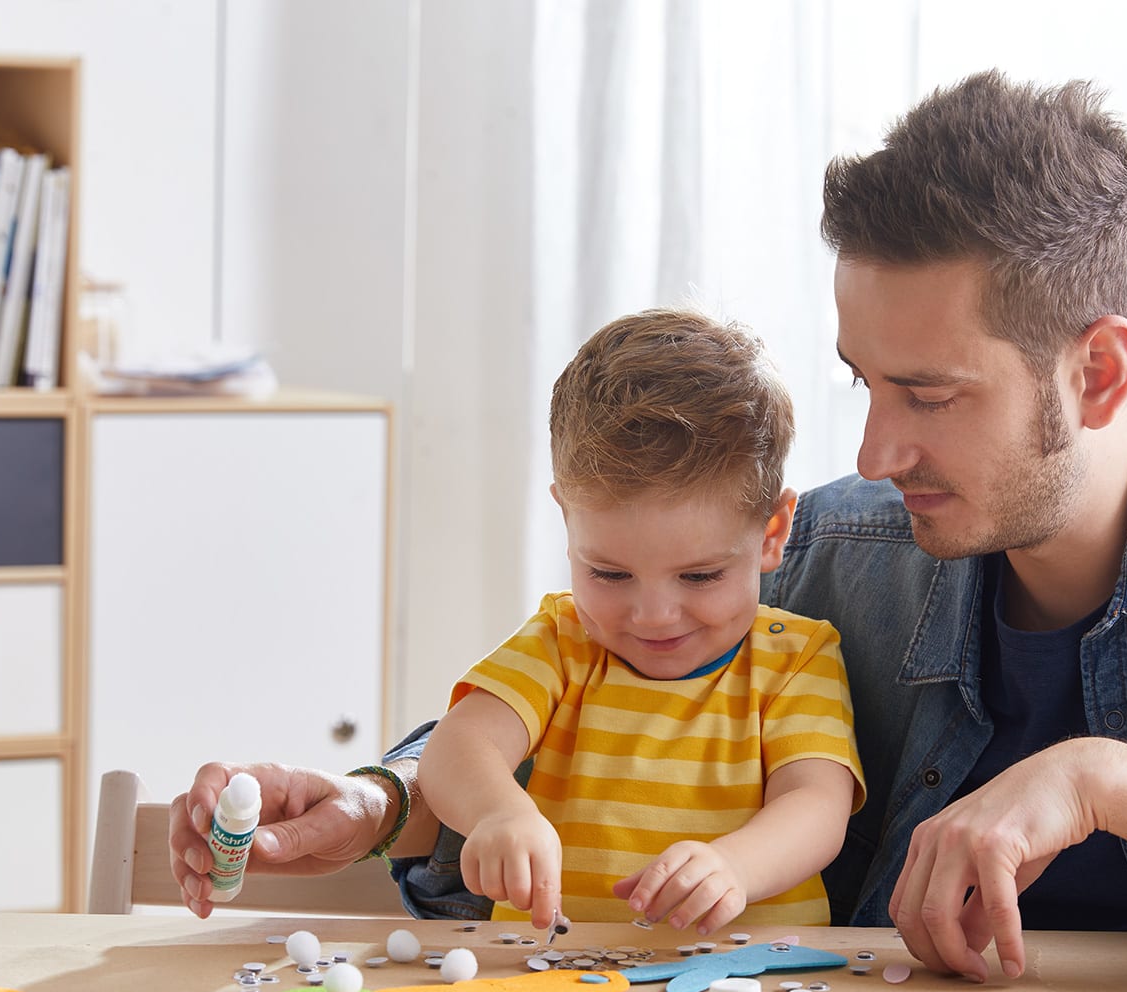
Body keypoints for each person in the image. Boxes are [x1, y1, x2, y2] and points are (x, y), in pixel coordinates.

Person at [170, 72, 1127, 992]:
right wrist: (377, 801)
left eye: (930, 395)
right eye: (863, 380)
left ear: (1096, 373)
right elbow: (580, 706)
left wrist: (1106, 782)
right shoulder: (846, 545)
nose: (873, 452)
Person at [172, 308, 865, 936]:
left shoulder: (797, 657)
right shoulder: (563, 642)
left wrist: (735, 867)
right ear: (567, 519)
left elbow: (817, 806)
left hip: (752, 982)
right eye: (610, 574)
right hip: (552, 983)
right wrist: (500, 813)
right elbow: (457, 750)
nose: (653, 615)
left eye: (701, 576)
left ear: (773, 531)